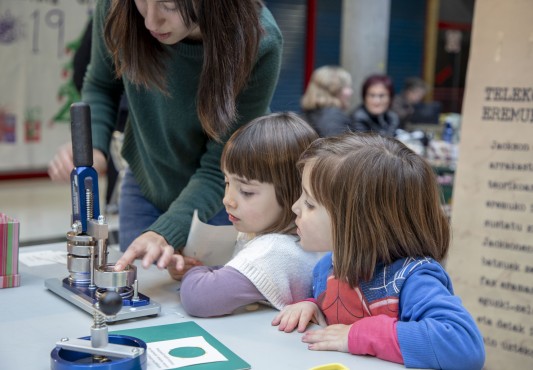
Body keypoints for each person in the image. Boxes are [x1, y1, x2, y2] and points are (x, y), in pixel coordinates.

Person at [47, 0, 283, 277]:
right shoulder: (117, 6)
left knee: (202, 300)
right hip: (146, 179)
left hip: (220, 197)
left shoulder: (258, 41)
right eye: (142, 2)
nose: (150, 22)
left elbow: (218, 167)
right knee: (137, 288)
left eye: (169, 5)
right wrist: (94, 147)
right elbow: (100, 84)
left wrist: (168, 231)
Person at [271, 133, 485, 369]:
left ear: (361, 223)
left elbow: (464, 346)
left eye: (310, 203)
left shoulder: (413, 280)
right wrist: (312, 306)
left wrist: (359, 336)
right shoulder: (329, 265)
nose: (295, 207)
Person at [178, 112, 324, 317]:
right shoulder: (289, 241)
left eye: (246, 191)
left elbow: (199, 298)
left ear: (294, 193)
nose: (227, 199)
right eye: (227, 183)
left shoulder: (274, 250)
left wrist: (193, 272)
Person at [299, 66, 353, 137]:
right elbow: (336, 147)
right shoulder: (333, 119)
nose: (351, 92)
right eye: (346, 87)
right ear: (334, 90)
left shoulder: (311, 113)